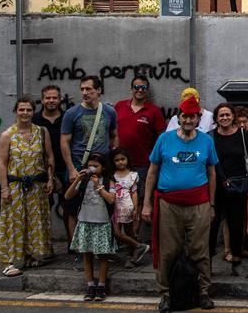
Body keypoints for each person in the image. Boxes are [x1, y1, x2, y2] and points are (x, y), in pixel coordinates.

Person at [143, 92, 218, 313]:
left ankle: (203, 292)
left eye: (192, 117)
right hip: (168, 203)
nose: (188, 120)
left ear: (198, 118)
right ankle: (165, 294)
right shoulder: (164, 140)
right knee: (168, 251)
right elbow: (152, 172)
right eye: (184, 116)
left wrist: (212, 204)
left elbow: (212, 174)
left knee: (200, 250)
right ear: (178, 117)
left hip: (199, 203)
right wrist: (146, 203)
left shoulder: (206, 140)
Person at [0, 97, 54, 277]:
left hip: (36, 186)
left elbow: (49, 157)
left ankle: (28, 256)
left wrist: (50, 179)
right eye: (21, 110)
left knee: (33, 222)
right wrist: (4, 189)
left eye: (28, 110)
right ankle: (9, 262)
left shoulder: (41, 132)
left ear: (33, 112)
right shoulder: (7, 135)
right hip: (15, 186)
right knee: (13, 222)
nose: (25, 113)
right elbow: (2, 163)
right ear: (16, 111)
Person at [60, 76, 117, 254]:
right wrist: (71, 168)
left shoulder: (109, 112)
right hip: (79, 166)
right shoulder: (72, 113)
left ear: (99, 90)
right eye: (82, 89)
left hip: (102, 169)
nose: (85, 93)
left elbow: (114, 135)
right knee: (73, 208)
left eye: (89, 89)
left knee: (103, 207)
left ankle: (103, 247)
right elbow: (64, 142)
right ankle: (76, 249)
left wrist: (112, 163)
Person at [210, 102, 248, 276]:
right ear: (216, 118)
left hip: (238, 186)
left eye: (227, 115)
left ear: (233, 117)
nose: (224, 118)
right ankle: (206, 264)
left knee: (236, 224)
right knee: (212, 224)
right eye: (221, 115)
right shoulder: (210, 137)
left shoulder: (242, 135)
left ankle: (236, 261)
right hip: (215, 187)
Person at [64, 153, 117, 302]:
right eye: (90, 166)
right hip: (85, 221)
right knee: (86, 255)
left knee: (102, 256)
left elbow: (111, 200)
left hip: (102, 222)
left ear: (103, 167)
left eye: (96, 166)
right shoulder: (84, 180)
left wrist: (98, 187)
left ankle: (101, 286)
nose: (92, 169)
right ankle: (90, 285)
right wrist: (77, 181)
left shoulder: (108, 180)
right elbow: (68, 196)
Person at [113, 75, 165, 206]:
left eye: (143, 87)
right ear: (131, 89)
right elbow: (110, 130)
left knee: (138, 202)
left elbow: (162, 137)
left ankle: (136, 227)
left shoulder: (154, 111)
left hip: (142, 165)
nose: (140, 90)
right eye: (136, 87)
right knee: (118, 200)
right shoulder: (119, 106)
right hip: (119, 163)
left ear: (147, 90)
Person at [32, 84, 65, 256]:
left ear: (60, 99)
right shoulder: (35, 120)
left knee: (68, 208)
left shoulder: (67, 117)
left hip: (65, 168)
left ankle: (72, 247)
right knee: (43, 210)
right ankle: (46, 246)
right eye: (48, 98)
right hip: (42, 171)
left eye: (54, 98)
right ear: (42, 99)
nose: (51, 101)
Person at [109, 148, 149, 264]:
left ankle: (132, 257)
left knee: (129, 232)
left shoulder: (133, 175)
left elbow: (134, 192)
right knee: (117, 232)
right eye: (117, 160)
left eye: (122, 159)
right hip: (116, 209)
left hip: (128, 208)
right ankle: (139, 246)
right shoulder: (113, 176)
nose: (120, 162)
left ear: (127, 160)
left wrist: (136, 208)